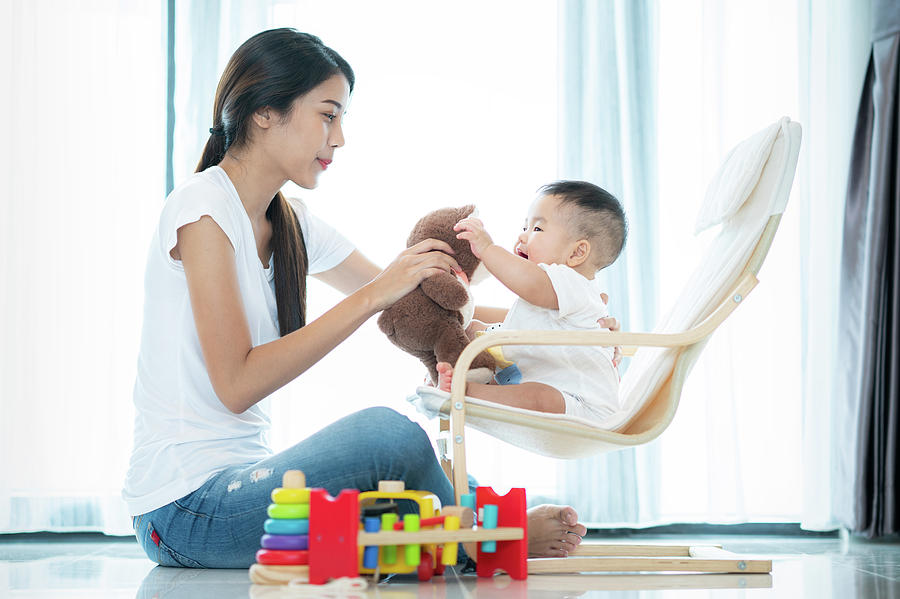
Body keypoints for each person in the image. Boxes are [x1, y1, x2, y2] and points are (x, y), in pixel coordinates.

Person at [123, 28, 599, 569]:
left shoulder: (290, 221)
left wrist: (562, 323)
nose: (341, 137)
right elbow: (237, 384)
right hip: (185, 511)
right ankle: (486, 538)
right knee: (386, 436)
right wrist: (375, 294)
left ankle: (477, 526)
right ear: (264, 112)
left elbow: (414, 302)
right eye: (329, 115)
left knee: (397, 481)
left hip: (244, 484)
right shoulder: (203, 211)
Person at [436, 181, 627, 423]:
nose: (522, 235)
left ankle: (467, 392)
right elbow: (515, 319)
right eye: (525, 226)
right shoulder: (554, 293)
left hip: (584, 405)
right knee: (474, 328)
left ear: (577, 253)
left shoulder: (574, 283)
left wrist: (487, 249)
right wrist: (460, 315)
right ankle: (462, 376)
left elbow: (528, 283)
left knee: (540, 397)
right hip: (540, 379)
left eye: (536, 229)